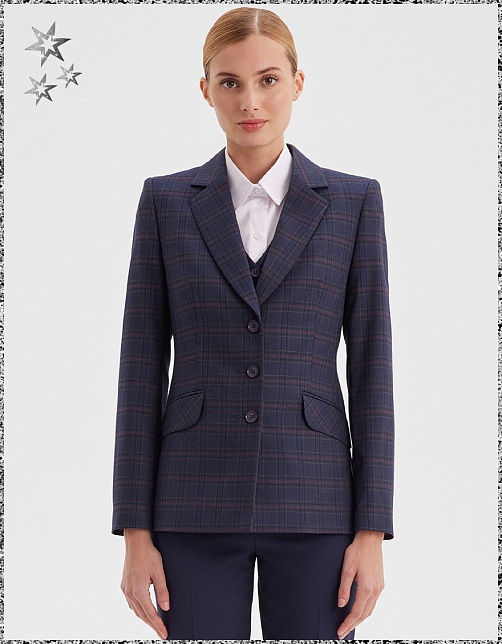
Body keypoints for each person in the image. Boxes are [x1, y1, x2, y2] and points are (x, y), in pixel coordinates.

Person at [112, 6, 394, 641]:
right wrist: (135, 531)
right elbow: (140, 370)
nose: (250, 101)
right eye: (230, 82)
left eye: (268, 80)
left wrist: (371, 530)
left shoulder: (353, 203)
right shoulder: (166, 203)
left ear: (298, 83)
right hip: (191, 504)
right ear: (205, 89)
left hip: (317, 503)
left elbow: (373, 368)